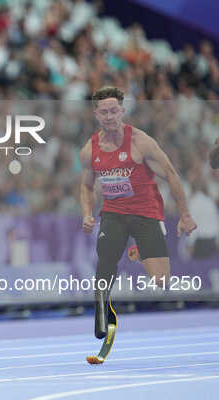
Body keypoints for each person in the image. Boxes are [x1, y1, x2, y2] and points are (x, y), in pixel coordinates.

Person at [79, 87, 197, 363]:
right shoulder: (89, 150)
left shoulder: (141, 142)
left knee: (160, 280)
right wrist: (87, 213)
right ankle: (101, 310)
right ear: (96, 115)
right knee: (105, 259)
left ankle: (135, 251)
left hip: (146, 214)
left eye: (113, 111)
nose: (109, 116)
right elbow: (86, 186)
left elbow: (171, 175)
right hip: (114, 214)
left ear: (122, 111)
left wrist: (185, 215)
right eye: (103, 112)